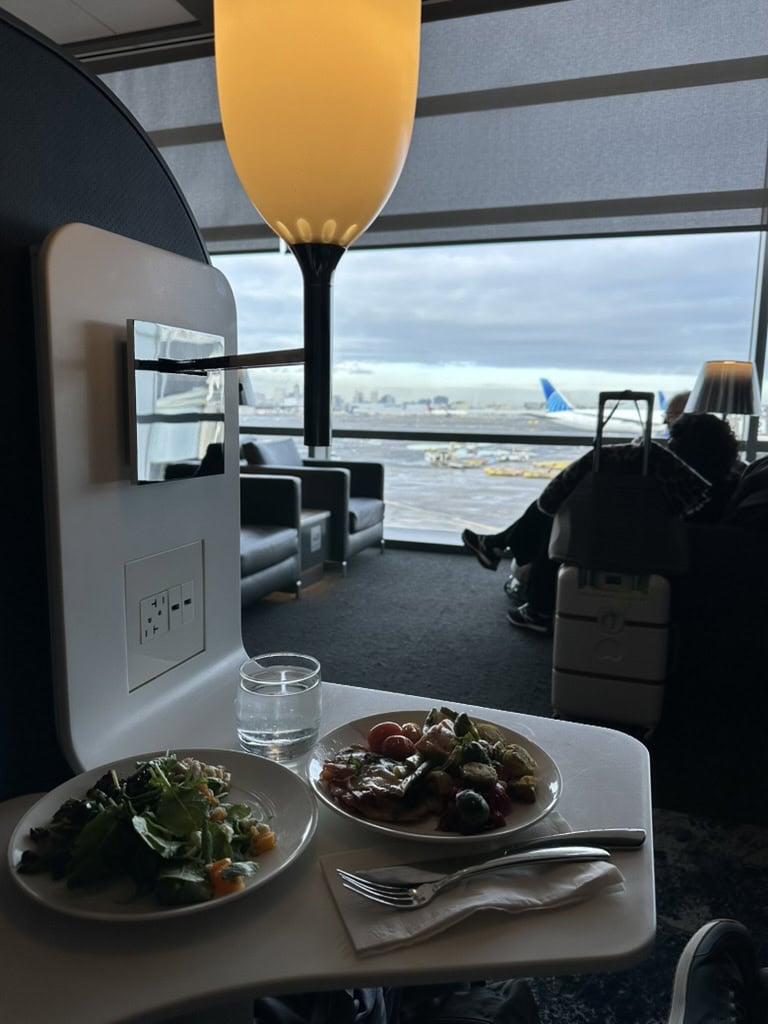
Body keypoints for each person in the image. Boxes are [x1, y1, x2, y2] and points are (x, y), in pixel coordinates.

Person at [462, 406, 740, 634]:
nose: (669, 445)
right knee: (567, 513)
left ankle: (529, 593)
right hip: (657, 545)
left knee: (565, 516)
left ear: (688, 446)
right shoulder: (719, 482)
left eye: (674, 440)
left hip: (648, 552)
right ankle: (502, 551)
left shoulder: (690, 486)